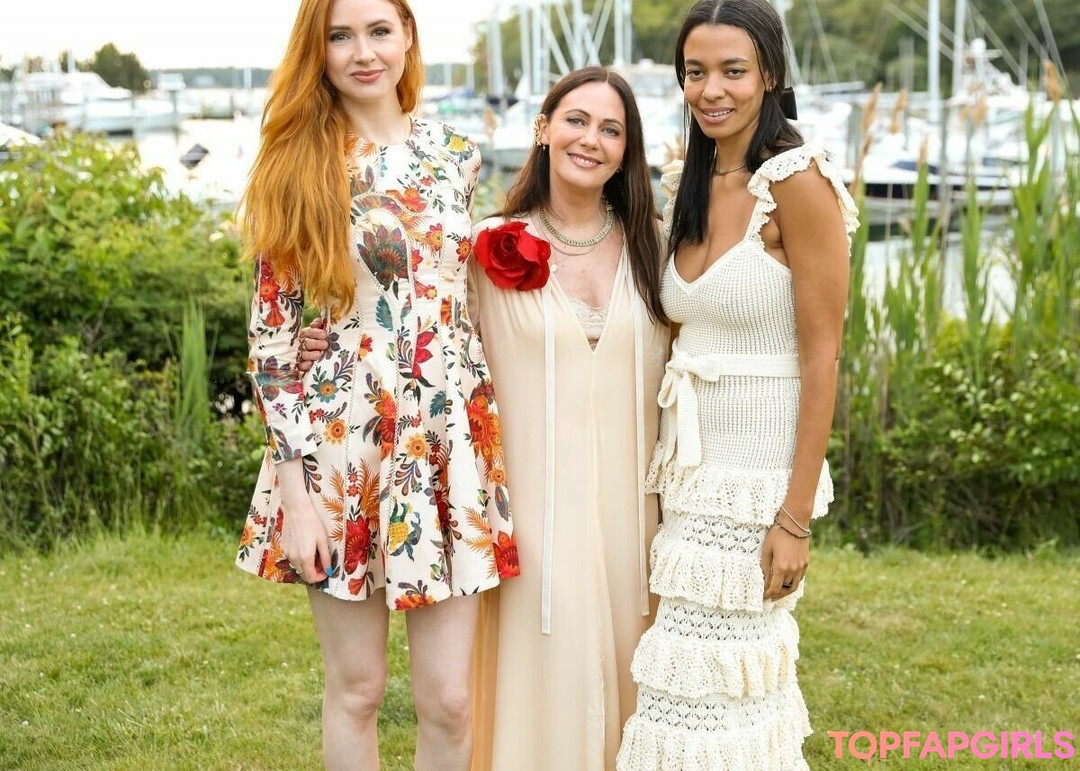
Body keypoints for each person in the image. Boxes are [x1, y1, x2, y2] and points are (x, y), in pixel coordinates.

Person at [301, 65, 670, 770]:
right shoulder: (486, 247)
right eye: (576, 120)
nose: (591, 139)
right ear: (543, 128)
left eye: (612, 129)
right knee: (512, 676)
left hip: (633, 509)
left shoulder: (655, 246)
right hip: (529, 501)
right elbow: (413, 305)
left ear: (628, 150)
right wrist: (322, 335)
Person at [234, 1, 519, 769]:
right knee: (357, 689)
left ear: (408, 36)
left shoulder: (456, 154)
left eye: (379, 30)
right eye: (341, 36)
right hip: (340, 447)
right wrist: (295, 496)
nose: (363, 52)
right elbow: (272, 342)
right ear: (318, 51)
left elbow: (460, 295)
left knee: (449, 700)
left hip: (446, 442)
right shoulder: (299, 163)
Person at [615, 1, 859, 769]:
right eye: (696, 72)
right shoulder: (692, 180)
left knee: (719, 685)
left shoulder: (799, 181)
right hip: (687, 472)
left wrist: (794, 517)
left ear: (771, 74)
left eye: (732, 71)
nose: (711, 89)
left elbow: (824, 358)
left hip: (755, 484)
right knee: (690, 685)